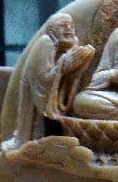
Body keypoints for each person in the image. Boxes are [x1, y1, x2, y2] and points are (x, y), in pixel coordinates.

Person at [14, 12, 94, 143]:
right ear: (52, 31)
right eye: (63, 25)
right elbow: (43, 80)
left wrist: (79, 63)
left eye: (71, 26)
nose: (69, 28)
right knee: (43, 133)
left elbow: (70, 78)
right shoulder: (46, 43)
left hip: (53, 100)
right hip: (35, 102)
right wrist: (63, 64)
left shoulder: (71, 43)